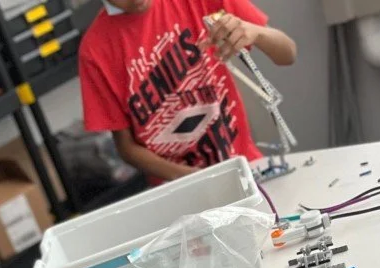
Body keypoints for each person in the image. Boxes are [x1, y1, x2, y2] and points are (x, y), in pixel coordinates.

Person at [78, 0, 297, 182]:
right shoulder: (95, 50)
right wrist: (197, 179)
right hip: (180, 193)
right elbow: (126, 147)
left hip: (246, 167)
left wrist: (256, 32)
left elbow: (288, 54)